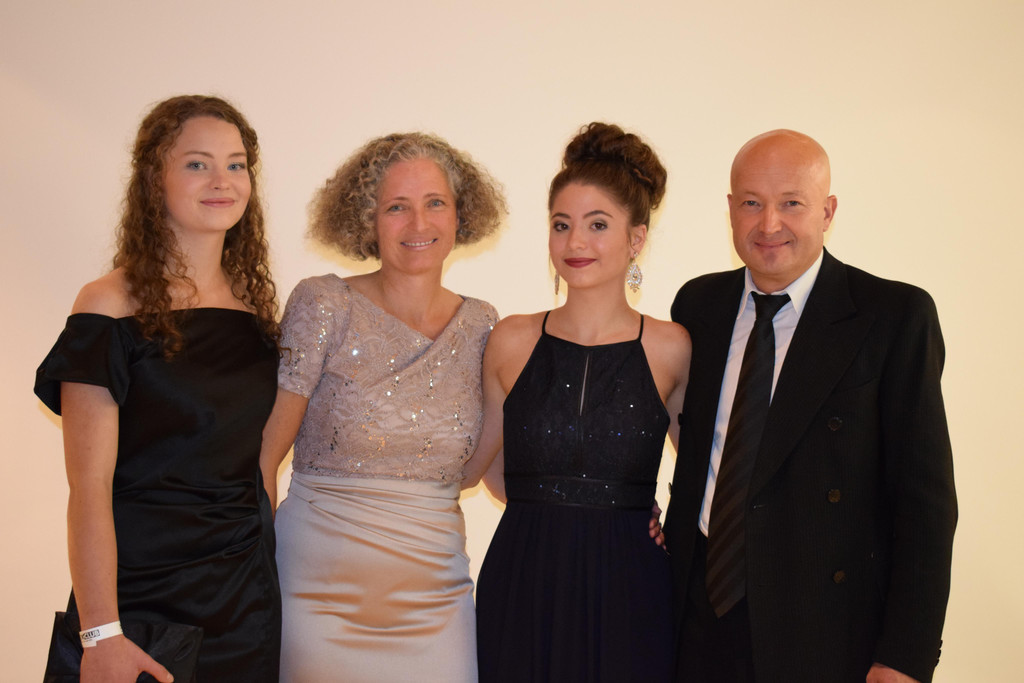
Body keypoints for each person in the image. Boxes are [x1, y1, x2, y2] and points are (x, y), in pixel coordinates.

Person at [663, 129, 957, 683]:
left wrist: (904, 657)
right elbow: (703, 445)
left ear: (828, 211)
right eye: (752, 203)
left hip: (825, 630)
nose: (769, 224)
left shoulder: (893, 316)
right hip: (697, 619)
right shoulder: (697, 305)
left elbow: (925, 504)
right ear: (730, 209)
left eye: (792, 203)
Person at [34, 95, 282, 682]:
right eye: (197, 164)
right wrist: (101, 634)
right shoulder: (107, 306)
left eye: (236, 164)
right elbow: (88, 488)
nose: (222, 181)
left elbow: (259, 465)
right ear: (154, 180)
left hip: (244, 600)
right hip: (138, 604)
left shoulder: (254, 310)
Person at [259, 132, 506, 682]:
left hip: (436, 603)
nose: (419, 223)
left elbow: (492, 473)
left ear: (460, 214)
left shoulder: (484, 324)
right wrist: (246, 577)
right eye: (397, 207)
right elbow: (264, 457)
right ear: (366, 219)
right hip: (315, 601)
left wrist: (612, 509)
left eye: (435, 203)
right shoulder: (323, 303)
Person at [469, 122, 691, 682]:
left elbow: (709, 473)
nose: (575, 243)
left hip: (632, 585)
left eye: (598, 225)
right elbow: (481, 464)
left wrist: (670, 523)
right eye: (561, 225)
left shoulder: (671, 347)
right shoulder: (511, 338)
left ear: (636, 238)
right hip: (523, 578)